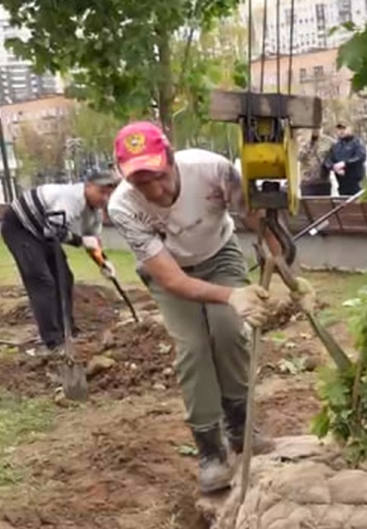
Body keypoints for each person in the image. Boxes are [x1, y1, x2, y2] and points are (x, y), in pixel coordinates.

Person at [107, 121, 309, 495]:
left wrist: (292, 277)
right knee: (194, 348)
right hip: (171, 271)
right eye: (141, 183)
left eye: (160, 176)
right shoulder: (122, 206)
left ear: (170, 157)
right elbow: (171, 280)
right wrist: (232, 296)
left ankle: (241, 428)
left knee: (230, 332)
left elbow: (260, 221)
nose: (155, 189)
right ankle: (210, 450)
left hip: (219, 254)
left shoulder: (211, 170)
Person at [1, 169, 119, 350]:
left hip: (44, 231)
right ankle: (53, 340)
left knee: (64, 278)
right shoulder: (71, 199)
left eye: (109, 195)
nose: (105, 199)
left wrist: (103, 263)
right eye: (101, 192)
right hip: (20, 228)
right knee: (42, 281)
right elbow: (54, 231)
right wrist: (80, 241)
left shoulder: (94, 212)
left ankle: (67, 330)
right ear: (88, 186)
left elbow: (92, 241)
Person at [324, 121, 367, 196]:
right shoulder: (336, 145)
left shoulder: (357, 143)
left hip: (356, 183)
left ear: (350, 129)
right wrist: (334, 167)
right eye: (339, 129)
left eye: (344, 128)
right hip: (342, 183)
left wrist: (345, 164)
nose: (341, 131)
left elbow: (360, 157)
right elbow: (328, 160)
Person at [298, 129, 333, 196]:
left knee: (324, 205)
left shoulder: (328, 142)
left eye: (317, 128)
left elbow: (336, 156)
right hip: (307, 182)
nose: (315, 130)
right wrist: (307, 142)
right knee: (308, 204)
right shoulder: (302, 141)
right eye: (312, 128)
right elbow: (299, 157)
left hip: (323, 182)